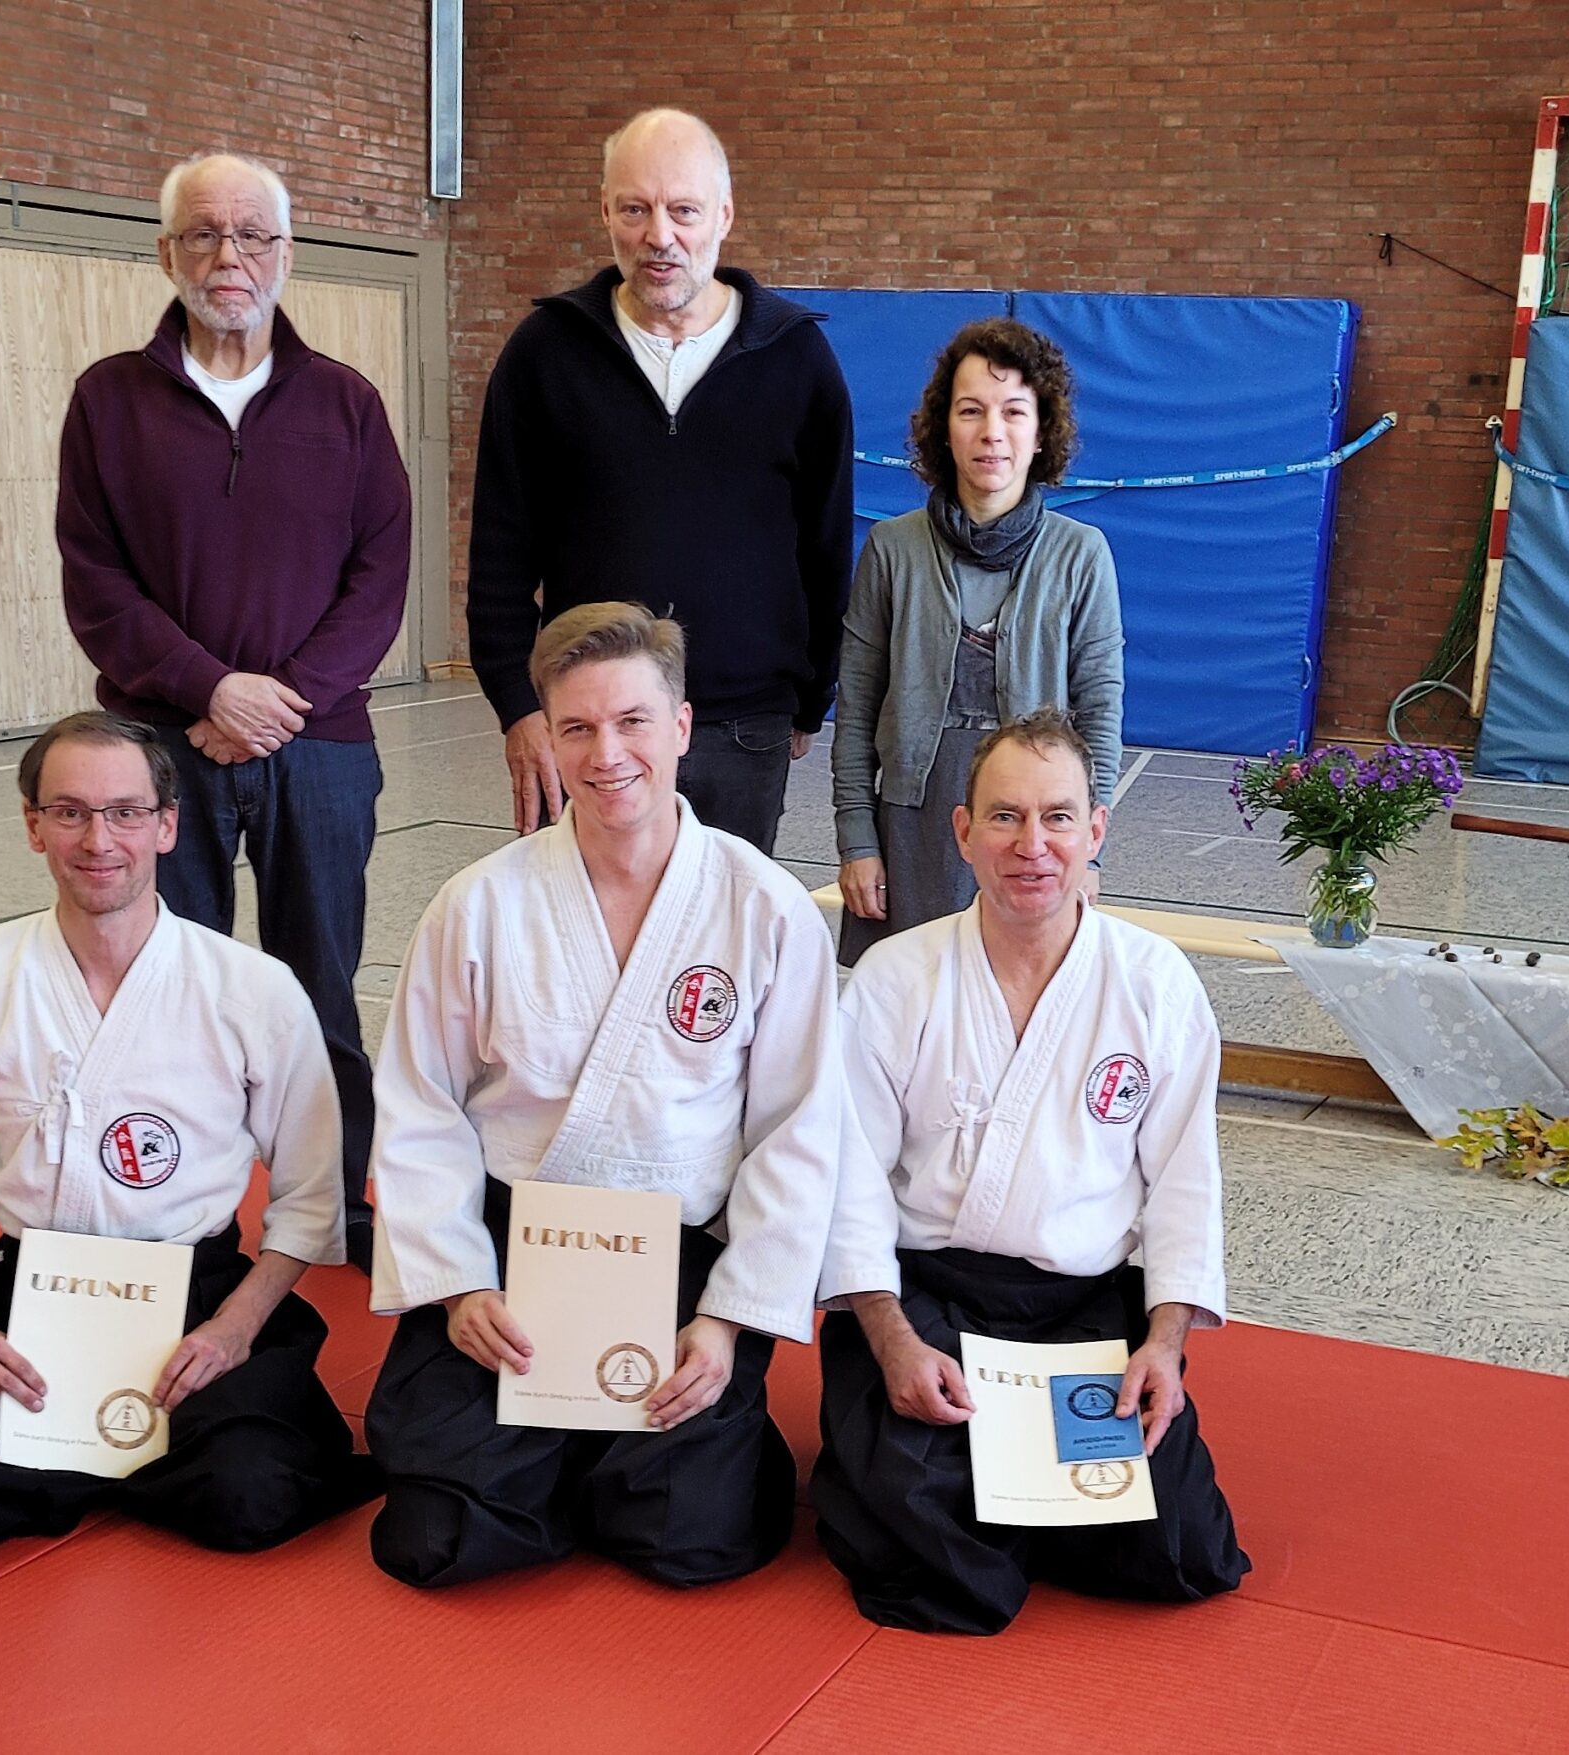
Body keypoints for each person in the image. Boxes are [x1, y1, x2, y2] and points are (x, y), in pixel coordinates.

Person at [0, 713, 376, 1555]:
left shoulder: (251, 988)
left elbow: (310, 1194)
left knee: (250, 1495)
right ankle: (124, 1455)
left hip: (195, 1289)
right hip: (36, 1292)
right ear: (33, 825)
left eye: (125, 811)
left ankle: (80, 1458)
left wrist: (235, 1326)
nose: (98, 839)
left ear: (167, 824)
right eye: (70, 811)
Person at [365, 602, 842, 1590]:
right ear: (545, 734)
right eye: (576, 727)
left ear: (681, 726)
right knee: (436, 1536)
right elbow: (419, 1104)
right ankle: (563, 1452)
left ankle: (618, 1453)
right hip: (513, 1255)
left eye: (632, 722)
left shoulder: (762, 906)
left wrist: (729, 1319)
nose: (607, 753)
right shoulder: (480, 903)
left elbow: (797, 1128)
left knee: (690, 1537)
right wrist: (458, 1283)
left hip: (680, 1259)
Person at [812, 708, 1250, 1634]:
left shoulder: (1155, 982)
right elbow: (848, 1179)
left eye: (1057, 817)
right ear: (963, 831)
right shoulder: (894, 977)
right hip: (930, 1299)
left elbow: (1186, 1180)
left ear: (1096, 829)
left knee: (1177, 1546)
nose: (1032, 845)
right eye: (1005, 816)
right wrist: (890, 1339)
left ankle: (1021, 1494)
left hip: (1081, 1314)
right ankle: (981, 1485)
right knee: (925, 1548)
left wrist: (1163, 1343)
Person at [56, 149, 411, 1263]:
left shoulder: (347, 404)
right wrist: (208, 690)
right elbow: (95, 583)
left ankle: (336, 1208)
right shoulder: (108, 401)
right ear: (167, 252)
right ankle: (187, 1214)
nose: (230, 257)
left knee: (321, 991)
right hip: (163, 750)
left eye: (254, 235)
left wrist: (278, 703)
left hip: (321, 749)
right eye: (205, 234)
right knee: (166, 989)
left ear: (286, 254)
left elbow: (381, 576)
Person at [465, 107, 855, 855]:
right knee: (583, 925)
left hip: (744, 725)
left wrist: (810, 697)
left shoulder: (797, 360)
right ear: (605, 211)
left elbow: (826, 547)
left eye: (683, 210)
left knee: (723, 927)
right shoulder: (544, 355)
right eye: (635, 209)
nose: (660, 235)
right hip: (590, 723)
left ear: (724, 215)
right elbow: (500, 554)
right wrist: (518, 705)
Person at [833, 318, 1124, 966]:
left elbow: (1100, 718)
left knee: (1020, 994)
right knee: (912, 1000)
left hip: (1032, 836)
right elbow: (855, 713)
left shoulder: (1082, 555)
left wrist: (1086, 851)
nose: (992, 431)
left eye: (1014, 411)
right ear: (944, 428)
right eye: (971, 410)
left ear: (1041, 431)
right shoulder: (892, 550)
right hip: (912, 832)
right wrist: (858, 840)